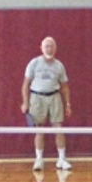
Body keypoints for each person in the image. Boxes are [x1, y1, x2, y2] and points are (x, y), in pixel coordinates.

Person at [21, 36, 72, 171]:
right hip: (37, 98)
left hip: (54, 97)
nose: (49, 49)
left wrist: (68, 104)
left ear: (55, 48)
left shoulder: (59, 65)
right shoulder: (34, 63)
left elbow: (65, 86)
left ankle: (61, 159)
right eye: (47, 46)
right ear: (41, 48)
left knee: (58, 128)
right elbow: (26, 84)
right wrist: (25, 103)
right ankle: (39, 160)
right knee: (40, 129)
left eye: (51, 46)